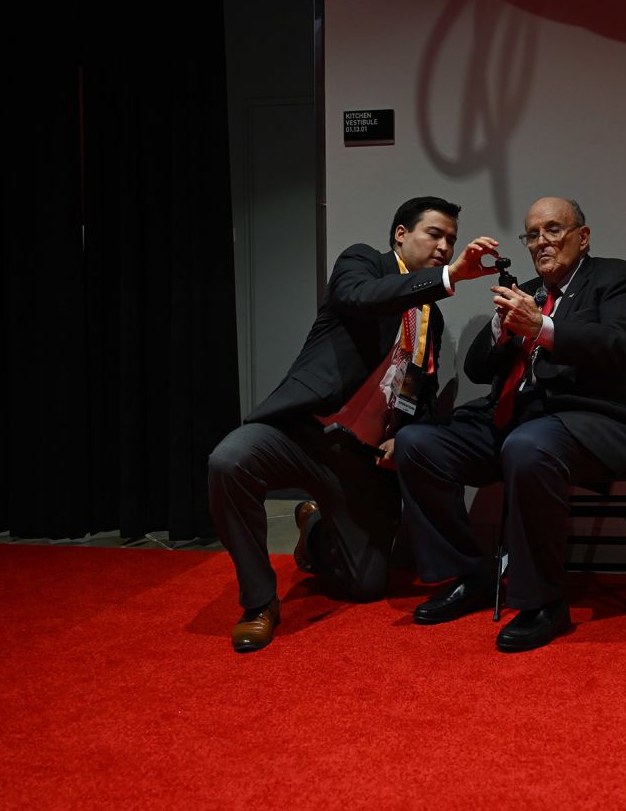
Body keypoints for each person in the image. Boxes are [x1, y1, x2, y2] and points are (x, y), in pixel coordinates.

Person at [208, 197, 500, 653]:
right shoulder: (362, 264)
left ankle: (316, 528)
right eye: (435, 235)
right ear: (401, 235)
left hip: (357, 460)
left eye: (452, 240)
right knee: (229, 460)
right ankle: (259, 603)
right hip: (300, 432)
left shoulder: (431, 318)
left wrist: (402, 435)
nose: (445, 246)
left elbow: (418, 389)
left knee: (367, 586)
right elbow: (359, 299)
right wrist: (450, 277)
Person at [395, 196, 626, 652]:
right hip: (514, 421)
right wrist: (502, 328)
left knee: (528, 445)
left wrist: (544, 328)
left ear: (583, 236)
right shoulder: (527, 289)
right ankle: (469, 575)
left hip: (591, 420)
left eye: (553, 229)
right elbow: (478, 369)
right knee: (416, 442)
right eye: (532, 234)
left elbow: (623, 345)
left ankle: (545, 603)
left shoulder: (617, 279)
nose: (541, 242)